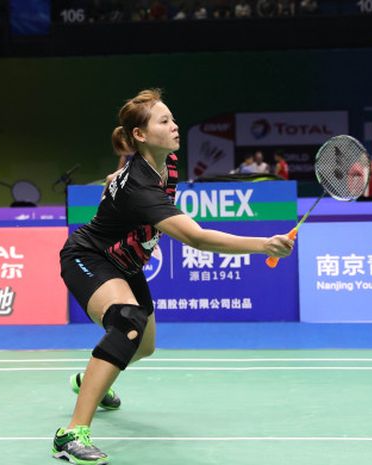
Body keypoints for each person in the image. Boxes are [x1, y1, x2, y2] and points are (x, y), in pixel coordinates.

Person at [53, 89, 293, 464]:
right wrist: (262, 244)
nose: (174, 125)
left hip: (125, 263)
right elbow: (196, 237)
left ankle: (89, 383)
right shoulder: (139, 185)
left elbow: (118, 188)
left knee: (144, 346)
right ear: (141, 135)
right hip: (89, 257)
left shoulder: (165, 166)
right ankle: (71, 434)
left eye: (172, 118)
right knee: (127, 323)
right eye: (164, 121)